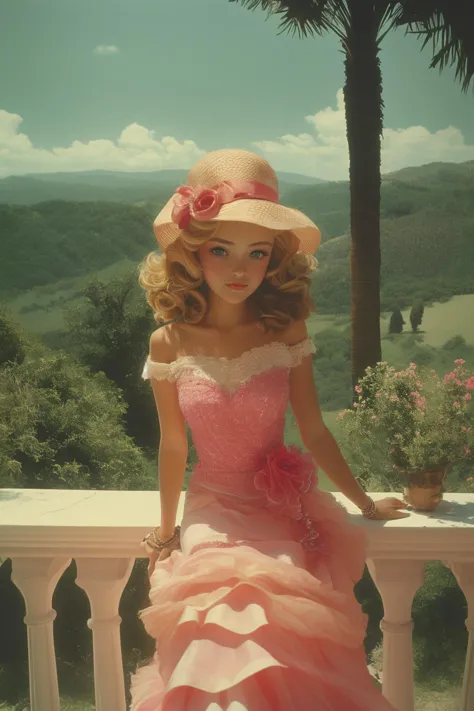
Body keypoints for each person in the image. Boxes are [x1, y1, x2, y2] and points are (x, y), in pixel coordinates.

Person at [129, 149, 408, 711]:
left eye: (257, 253)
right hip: (211, 508)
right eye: (221, 250)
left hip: (280, 510)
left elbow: (314, 431)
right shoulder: (170, 342)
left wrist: (363, 502)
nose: (240, 270)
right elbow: (174, 445)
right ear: (192, 253)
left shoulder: (286, 331)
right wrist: (165, 534)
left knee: (280, 643)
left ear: (274, 261)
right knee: (216, 623)